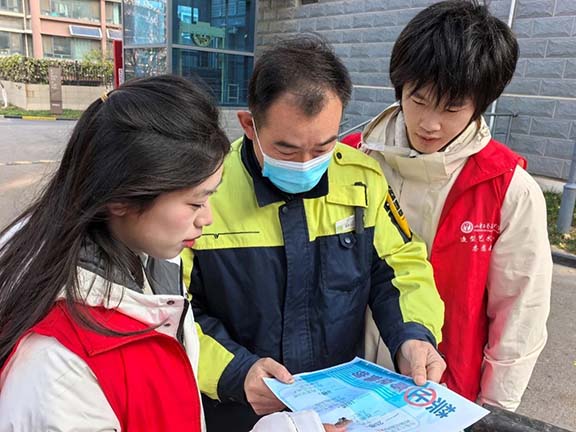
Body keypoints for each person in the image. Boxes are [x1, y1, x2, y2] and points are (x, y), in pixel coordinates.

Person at [0, 75, 343, 432]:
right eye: (195, 202)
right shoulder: (56, 372)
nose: (207, 218)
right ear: (121, 199)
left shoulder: (154, 266)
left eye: (211, 196)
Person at [181, 36, 446, 432]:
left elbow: (401, 268)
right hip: (237, 410)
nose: (306, 164)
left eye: (323, 148)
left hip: (336, 413)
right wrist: (236, 372)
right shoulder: (205, 191)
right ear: (249, 125)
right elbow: (173, 309)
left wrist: (412, 336)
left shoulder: (362, 181)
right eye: (287, 150)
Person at [360, 0, 552, 411]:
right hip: (348, 384)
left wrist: (494, 410)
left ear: (480, 103)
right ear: (399, 86)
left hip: (446, 396)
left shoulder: (507, 188)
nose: (430, 123)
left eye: (451, 108)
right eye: (418, 99)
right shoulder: (357, 161)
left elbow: (520, 314)